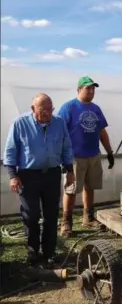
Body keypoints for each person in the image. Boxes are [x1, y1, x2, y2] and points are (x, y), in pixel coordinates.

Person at [3, 93, 74, 266]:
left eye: (50, 110)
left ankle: (49, 251)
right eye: (43, 110)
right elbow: (10, 151)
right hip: (28, 175)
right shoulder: (20, 124)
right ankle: (33, 250)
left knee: (51, 215)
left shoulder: (59, 123)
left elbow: (66, 147)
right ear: (33, 109)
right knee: (31, 214)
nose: (48, 114)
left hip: (52, 173)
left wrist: (70, 170)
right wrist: (13, 176)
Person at [58, 76, 114, 237]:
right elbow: (60, 132)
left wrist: (109, 152)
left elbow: (102, 132)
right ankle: (66, 223)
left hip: (93, 155)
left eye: (93, 89)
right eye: (87, 88)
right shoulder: (68, 108)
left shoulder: (96, 109)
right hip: (75, 157)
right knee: (71, 190)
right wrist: (63, 157)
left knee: (90, 187)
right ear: (79, 89)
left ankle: (88, 218)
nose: (91, 91)